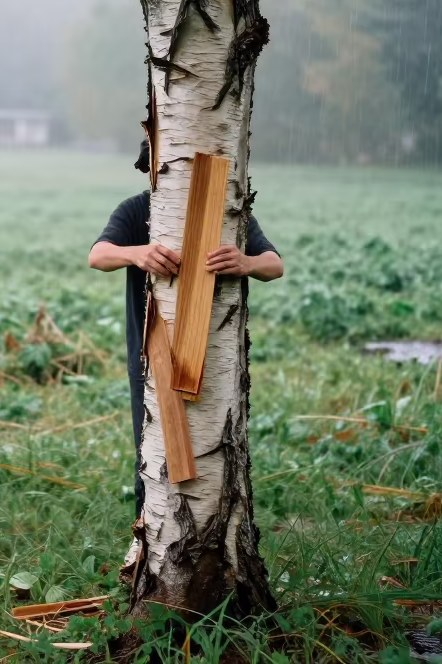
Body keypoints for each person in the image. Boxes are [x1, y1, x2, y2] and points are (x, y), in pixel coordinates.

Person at [88, 139, 283, 570]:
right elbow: (97, 255)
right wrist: (136, 253)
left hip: (217, 360)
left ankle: (224, 544)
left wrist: (246, 263)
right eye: (157, 171)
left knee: (216, 445)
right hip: (150, 358)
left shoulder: (228, 214)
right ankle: (146, 538)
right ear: (149, 171)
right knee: (151, 446)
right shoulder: (135, 210)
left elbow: (274, 264)